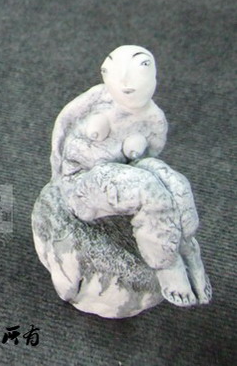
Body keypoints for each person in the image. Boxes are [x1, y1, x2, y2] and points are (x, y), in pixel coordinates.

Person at [50, 45, 210, 307]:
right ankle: (165, 263)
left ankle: (186, 246)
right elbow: (62, 128)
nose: (126, 81)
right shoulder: (95, 100)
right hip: (83, 183)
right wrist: (58, 180)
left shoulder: (154, 118)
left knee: (175, 182)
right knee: (147, 188)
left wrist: (132, 159)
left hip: (122, 170)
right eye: (116, 71)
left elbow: (151, 152)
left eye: (142, 67)